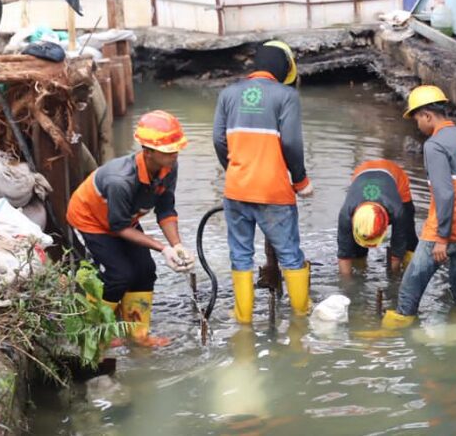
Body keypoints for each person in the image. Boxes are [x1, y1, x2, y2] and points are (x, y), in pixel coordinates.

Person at [67, 110, 194, 347]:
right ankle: (96, 335)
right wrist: (162, 248)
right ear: (148, 152)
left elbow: (165, 210)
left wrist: (177, 246)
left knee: (145, 270)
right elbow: (119, 227)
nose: (174, 154)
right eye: (168, 150)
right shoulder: (120, 180)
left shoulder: (168, 168)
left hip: (124, 220)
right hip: (91, 221)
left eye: (176, 148)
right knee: (119, 275)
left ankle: (138, 334)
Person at [213, 40, 314, 324]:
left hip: (236, 190)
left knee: (241, 256)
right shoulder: (286, 96)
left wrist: (235, 170)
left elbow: (219, 140)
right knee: (291, 256)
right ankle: (301, 318)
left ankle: (243, 320)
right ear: (283, 70)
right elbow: (292, 143)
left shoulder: (228, 94)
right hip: (273, 193)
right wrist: (301, 180)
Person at [377, 86, 456, 331]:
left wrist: (442, 237)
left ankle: (397, 328)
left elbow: (444, 193)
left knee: (412, 282)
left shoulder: (434, 145)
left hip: (445, 228)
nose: (417, 124)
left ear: (428, 116)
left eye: (417, 118)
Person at [337, 159, 418, 276]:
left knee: (408, 233)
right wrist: (347, 286)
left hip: (394, 173)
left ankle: (411, 268)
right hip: (362, 171)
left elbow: (397, 248)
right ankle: (361, 264)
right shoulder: (346, 214)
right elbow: (344, 255)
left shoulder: (398, 211)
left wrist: (393, 278)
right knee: (356, 248)